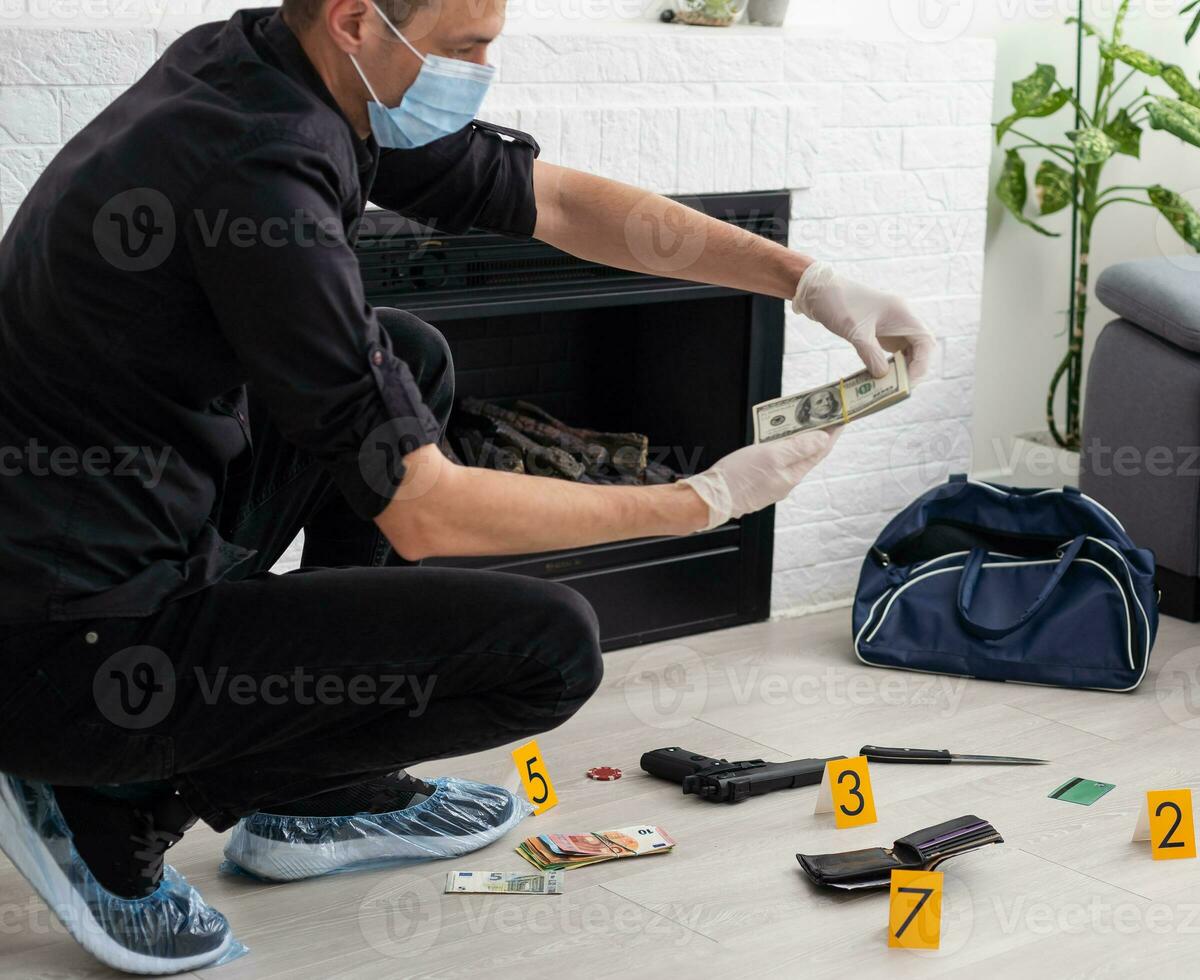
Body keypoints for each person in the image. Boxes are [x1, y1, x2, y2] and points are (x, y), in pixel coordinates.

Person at [0, 0, 937, 972]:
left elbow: (560, 201)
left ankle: (316, 792)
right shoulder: (264, 173)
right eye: (467, 46)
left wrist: (808, 279)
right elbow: (426, 511)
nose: (486, 66)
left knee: (412, 355)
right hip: (71, 650)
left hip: (98, 533)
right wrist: (704, 500)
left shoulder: (279, 70)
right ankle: (112, 800)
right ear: (359, 20)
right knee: (550, 650)